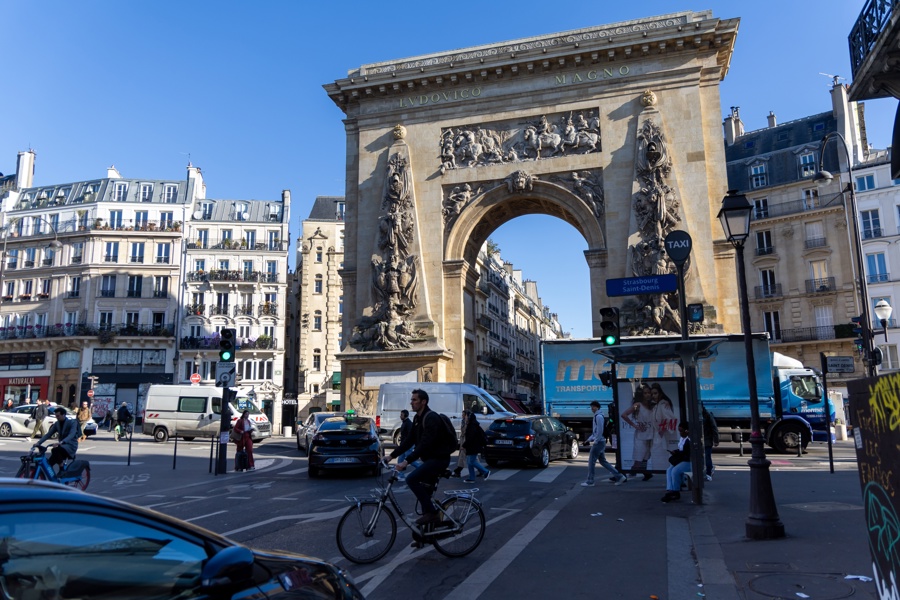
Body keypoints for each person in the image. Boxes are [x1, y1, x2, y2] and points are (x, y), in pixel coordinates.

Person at [385, 388, 453, 527]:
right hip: (429, 460)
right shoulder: (417, 418)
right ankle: (427, 534)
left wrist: (406, 461)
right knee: (425, 495)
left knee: (411, 479)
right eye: (411, 400)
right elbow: (409, 441)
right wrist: (391, 456)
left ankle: (433, 515)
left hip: (439, 459)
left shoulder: (431, 417)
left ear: (424, 402)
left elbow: (424, 444)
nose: (411, 403)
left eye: (414, 400)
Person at [582, 401, 626, 487]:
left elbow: (599, 431)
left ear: (597, 407)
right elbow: (595, 432)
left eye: (593, 407)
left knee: (591, 461)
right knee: (603, 461)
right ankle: (619, 476)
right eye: (591, 407)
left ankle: (590, 481)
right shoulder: (597, 416)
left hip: (599, 441)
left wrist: (595, 441)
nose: (592, 409)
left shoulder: (598, 417)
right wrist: (588, 440)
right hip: (600, 441)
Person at [621, 384, 654, 480]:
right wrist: (635, 425)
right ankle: (631, 472)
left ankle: (646, 473)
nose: (647, 395)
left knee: (646, 456)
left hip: (651, 433)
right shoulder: (638, 405)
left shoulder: (652, 404)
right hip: (641, 435)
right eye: (645, 393)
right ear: (641, 394)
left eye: (649, 393)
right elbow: (624, 415)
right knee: (639, 457)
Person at [34, 407, 79, 473]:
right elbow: (48, 434)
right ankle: (52, 479)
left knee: (55, 450)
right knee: (49, 464)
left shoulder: (72, 423)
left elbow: (71, 435)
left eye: (58, 416)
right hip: (62, 446)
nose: (57, 417)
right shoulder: (57, 424)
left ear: (63, 415)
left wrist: (62, 442)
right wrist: (38, 443)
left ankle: (61, 469)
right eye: (56, 416)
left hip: (70, 446)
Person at [650, 384, 679, 469]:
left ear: (660, 393)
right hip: (662, 433)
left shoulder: (663, 404)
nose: (654, 396)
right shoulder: (657, 405)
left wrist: (662, 429)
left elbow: (670, 419)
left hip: (666, 433)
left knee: (668, 452)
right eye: (652, 394)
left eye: (655, 393)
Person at [662, 422, 691, 503]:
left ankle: (675, 491)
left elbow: (688, 454)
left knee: (675, 470)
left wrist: (677, 454)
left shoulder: (690, 440)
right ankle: (670, 489)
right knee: (669, 470)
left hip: (689, 461)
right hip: (683, 460)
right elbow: (682, 450)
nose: (680, 433)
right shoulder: (683, 439)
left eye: (681, 431)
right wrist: (676, 451)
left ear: (687, 431)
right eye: (679, 431)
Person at [462, 410, 490, 482]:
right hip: (472, 446)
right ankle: (471, 478)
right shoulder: (472, 424)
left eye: (465, 416)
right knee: (469, 462)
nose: (464, 417)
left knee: (472, 461)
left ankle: (485, 471)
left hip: (473, 446)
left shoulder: (472, 426)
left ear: (469, 417)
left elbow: (470, 437)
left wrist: (464, 445)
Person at [702, 405, 720, 481]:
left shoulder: (707, 416)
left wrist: (716, 440)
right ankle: (708, 471)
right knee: (706, 457)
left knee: (707, 457)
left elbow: (714, 428)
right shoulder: (706, 415)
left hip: (707, 439)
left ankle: (708, 473)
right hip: (705, 439)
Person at [452, 411, 467, 478]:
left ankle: (458, 470)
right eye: (462, 414)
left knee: (463, 456)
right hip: (463, 440)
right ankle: (481, 470)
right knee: (472, 458)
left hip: (465, 441)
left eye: (463, 415)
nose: (462, 416)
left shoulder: (467, 423)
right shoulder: (463, 422)